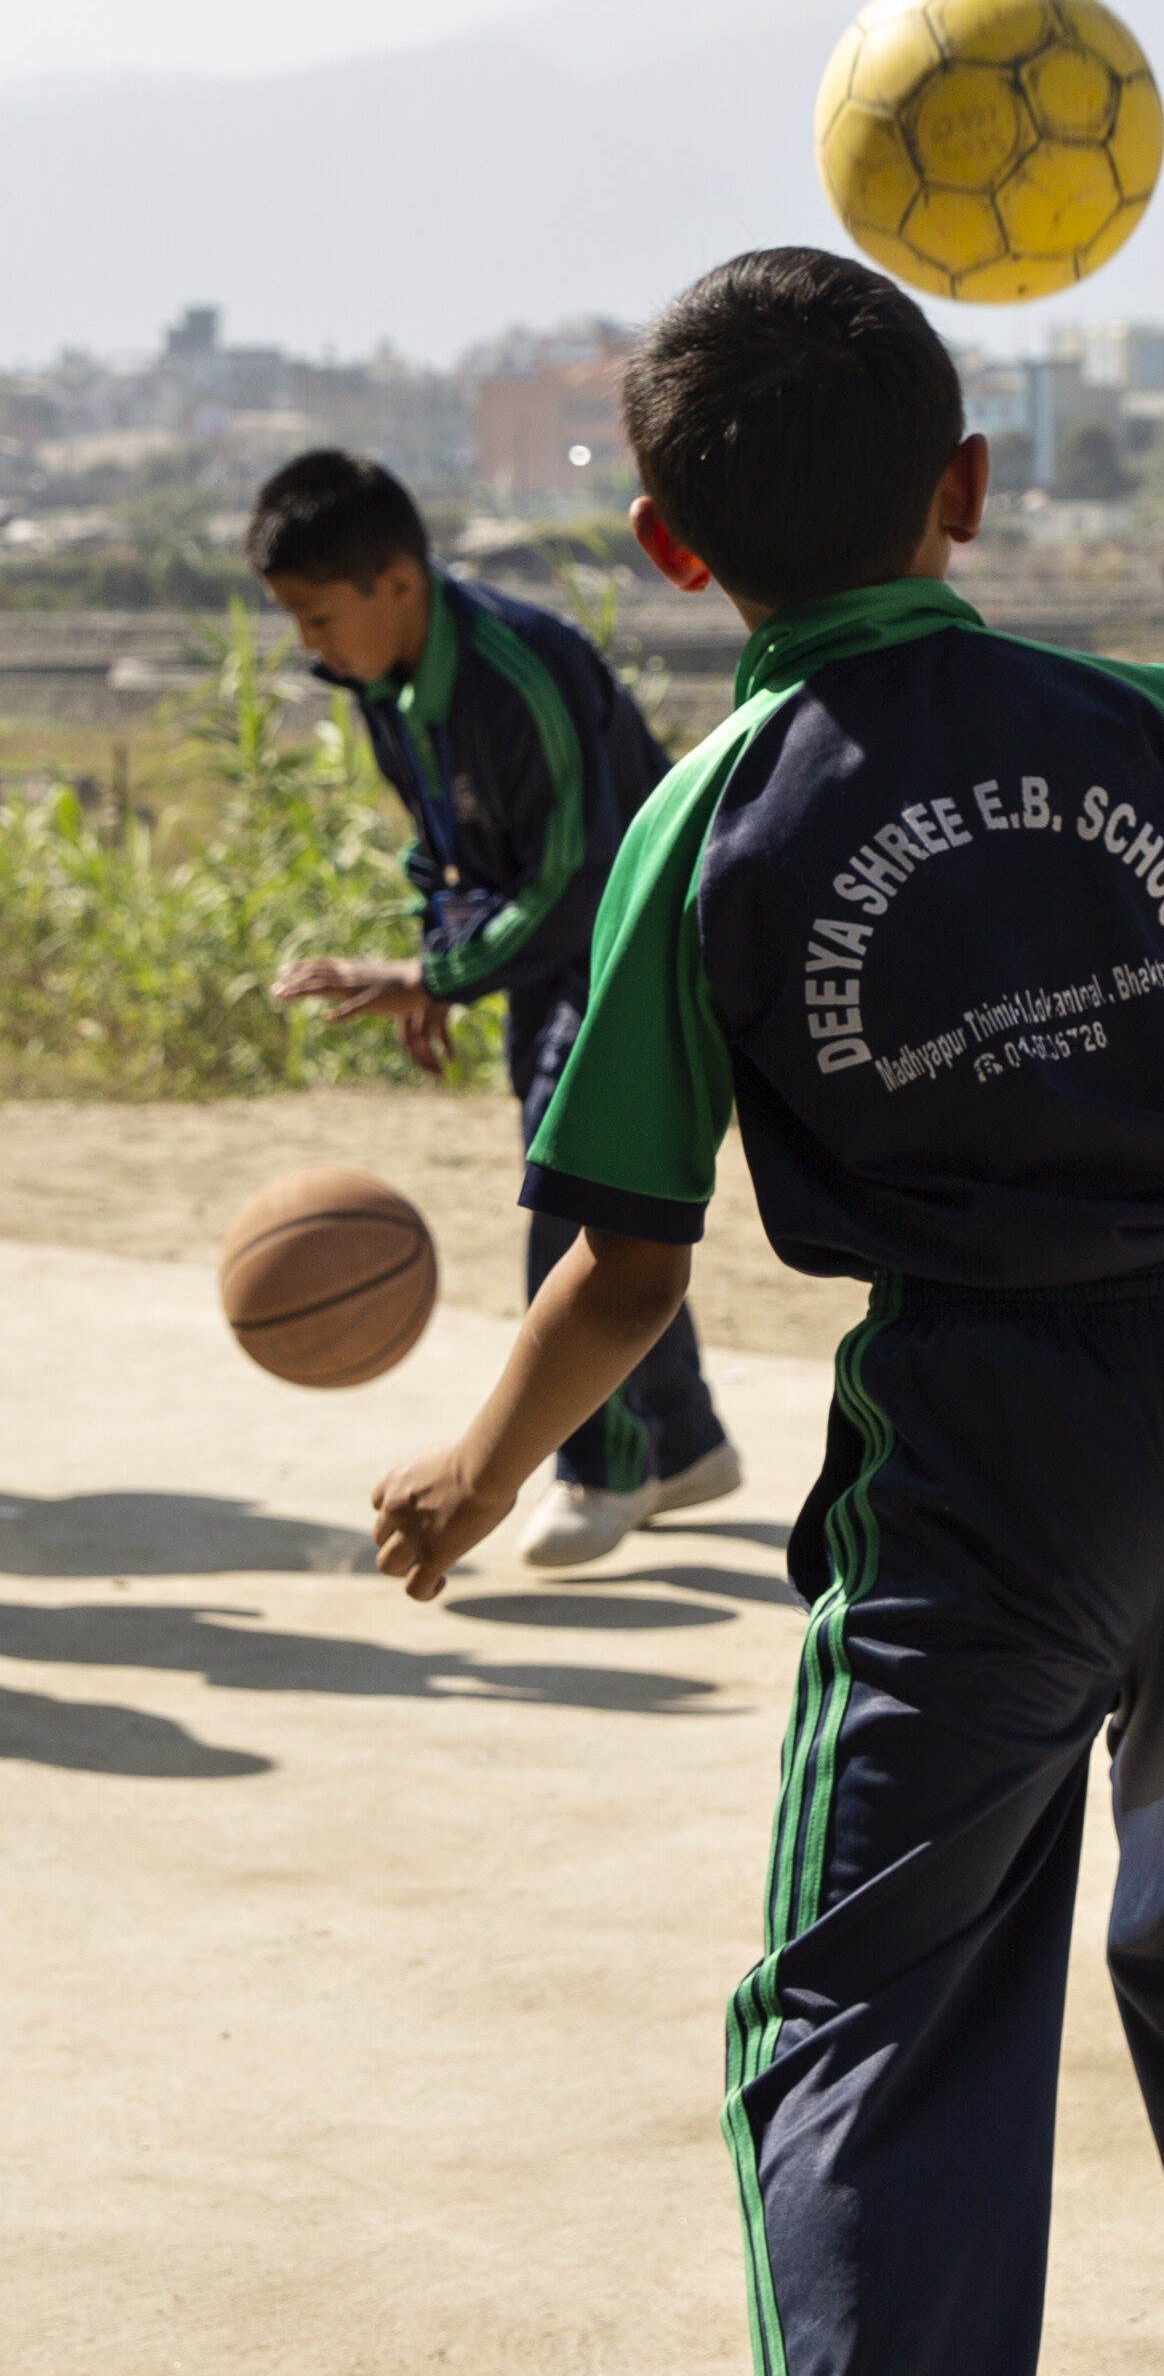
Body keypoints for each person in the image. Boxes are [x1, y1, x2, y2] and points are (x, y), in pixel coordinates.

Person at [366, 247, 1164, 2376]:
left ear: (670, 551)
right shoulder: (1140, 725)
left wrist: (483, 1459)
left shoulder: (700, 825)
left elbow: (626, 1252)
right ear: (970, 489)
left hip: (1001, 1444)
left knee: (874, 2020)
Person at [251, 447, 742, 1567]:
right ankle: (685, 1440)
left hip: (639, 943)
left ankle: (603, 1468)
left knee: (577, 1192)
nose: (307, 645)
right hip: (556, 954)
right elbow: (446, 850)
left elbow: (580, 874)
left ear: (398, 584)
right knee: (602, 1193)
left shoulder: (520, 669)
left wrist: (437, 978)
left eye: (318, 615)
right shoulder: (384, 687)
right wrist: (443, 954)